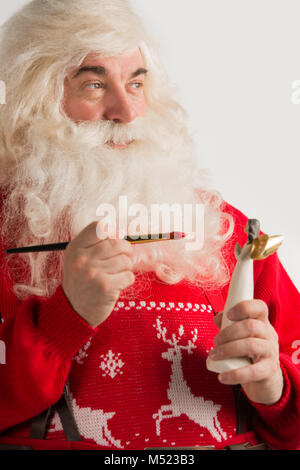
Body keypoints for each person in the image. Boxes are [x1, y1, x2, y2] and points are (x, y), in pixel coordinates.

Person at [0, 0, 299, 451]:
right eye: (94, 84)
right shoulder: (7, 233)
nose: (126, 109)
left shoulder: (226, 230)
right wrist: (65, 317)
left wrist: (276, 392)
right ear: (33, 102)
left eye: (136, 82)